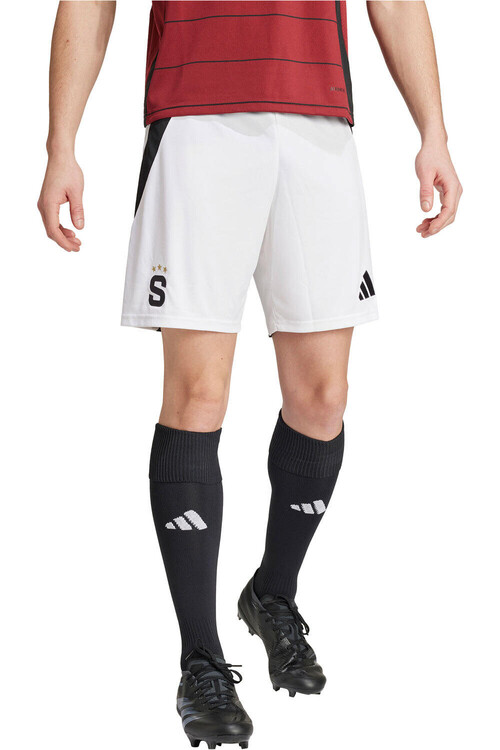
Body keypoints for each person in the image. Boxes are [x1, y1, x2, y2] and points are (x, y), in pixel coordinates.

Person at [38, 2, 462, 747]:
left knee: (323, 399)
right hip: (196, 115)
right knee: (198, 394)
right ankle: (201, 659)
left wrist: (434, 130)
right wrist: (61, 144)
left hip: (318, 118)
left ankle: (271, 594)